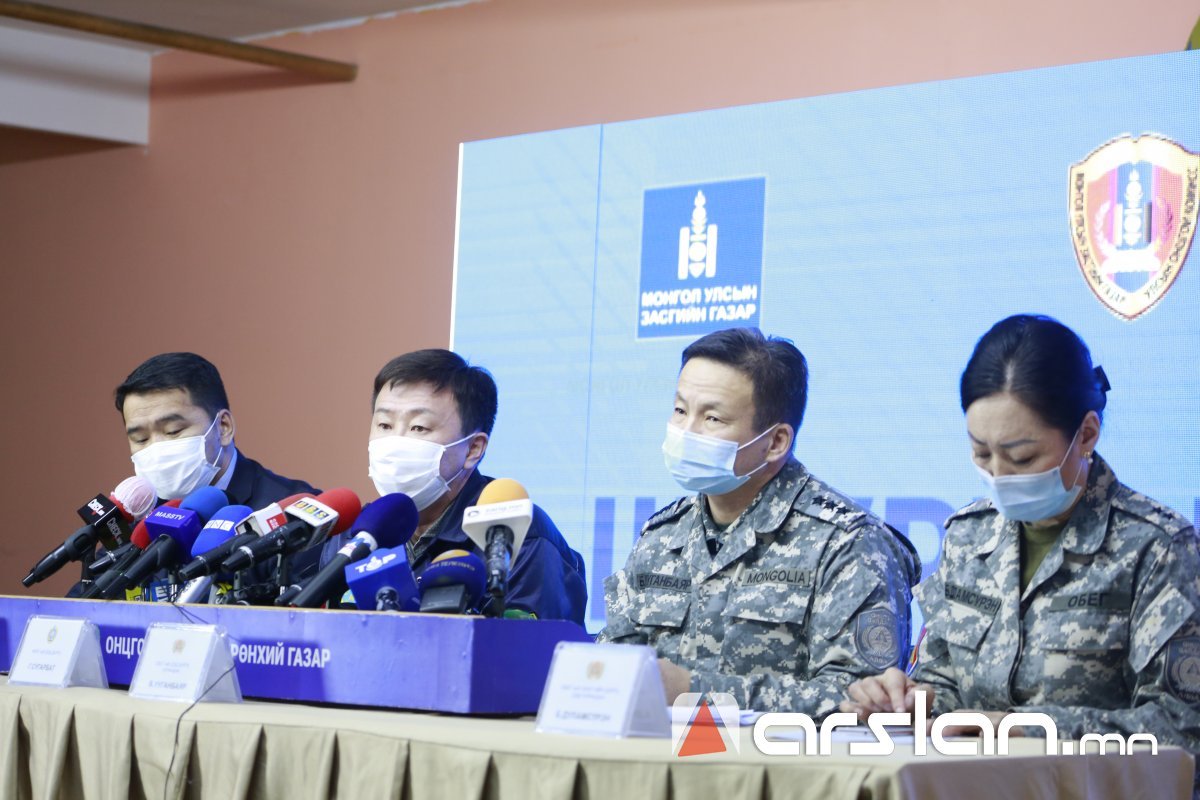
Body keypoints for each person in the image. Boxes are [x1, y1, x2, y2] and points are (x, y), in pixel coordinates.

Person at [843, 315, 1200, 765]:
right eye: (981, 453)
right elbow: (945, 680)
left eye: (1023, 457)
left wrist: (1018, 727)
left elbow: (1182, 728)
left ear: (1086, 435)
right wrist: (907, 700)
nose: (998, 475)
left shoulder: (1157, 548)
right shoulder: (969, 536)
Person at [598, 327, 920, 715]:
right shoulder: (660, 537)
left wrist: (695, 691)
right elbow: (612, 669)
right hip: (655, 752)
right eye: (680, 411)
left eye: (712, 418)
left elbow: (863, 701)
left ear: (776, 442)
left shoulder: (849, 543)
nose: (686, 432)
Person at [320, 348, 587, 624]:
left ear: (473, 449)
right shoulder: (355, 537)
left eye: (419, 427)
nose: (395, 441)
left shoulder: (515, 535)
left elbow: (531, 645)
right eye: (385, 425)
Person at [116, 352, 318, 509]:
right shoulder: (136, 521)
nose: (156, 450)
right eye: (141, 439)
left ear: (223, 427)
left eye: (173, 431)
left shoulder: (292, 511)